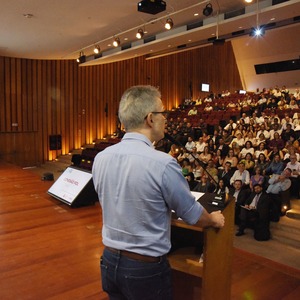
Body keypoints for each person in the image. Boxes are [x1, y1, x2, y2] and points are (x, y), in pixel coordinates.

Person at [92, 85, 224, 300]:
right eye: (163, 113)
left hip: (108, 261)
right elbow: (192, 214)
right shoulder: (162, 163)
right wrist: (214, 220)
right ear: (150, 118)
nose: (166, 119)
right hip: (144, 269)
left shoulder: (102, 157)